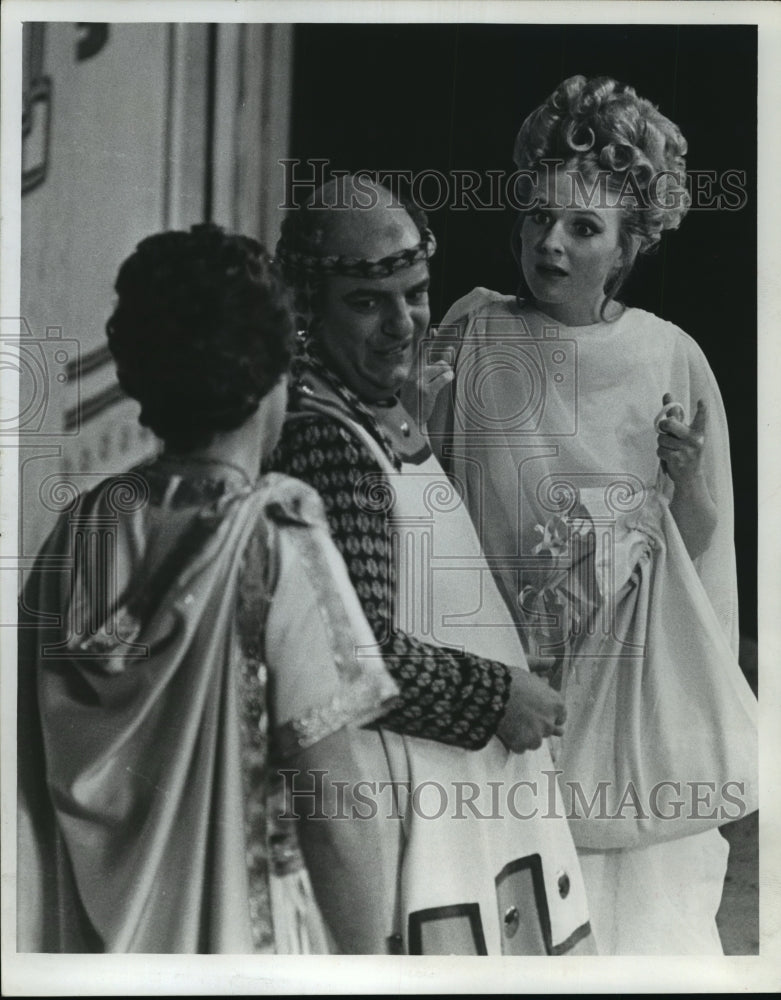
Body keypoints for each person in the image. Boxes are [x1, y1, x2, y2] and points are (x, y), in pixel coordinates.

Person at [428, 75, 758, 954]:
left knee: (628, 924)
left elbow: (701, 558)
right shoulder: (471, 335)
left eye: (583, 228)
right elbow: (419, 494)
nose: (551, 243)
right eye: (538, 218)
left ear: (627, 246)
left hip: (623, 687)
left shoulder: (667, 357)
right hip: (500, 680)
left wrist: (683, 485)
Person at [16, 224, 400, 953]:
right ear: (272, 380)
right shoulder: (276, 536)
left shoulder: (83, 529)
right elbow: (334, 802)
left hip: (92, 953)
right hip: (242, 948)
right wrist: (369, 966)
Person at [270, 176, 595, 955]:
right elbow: (351, 659)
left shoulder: (366, 410)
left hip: (461, 802)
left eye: (414, 295)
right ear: (308, 307)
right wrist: (495, 694)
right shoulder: (323, 438)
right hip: (420, 806)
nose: (402, 324)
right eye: (366, 303)